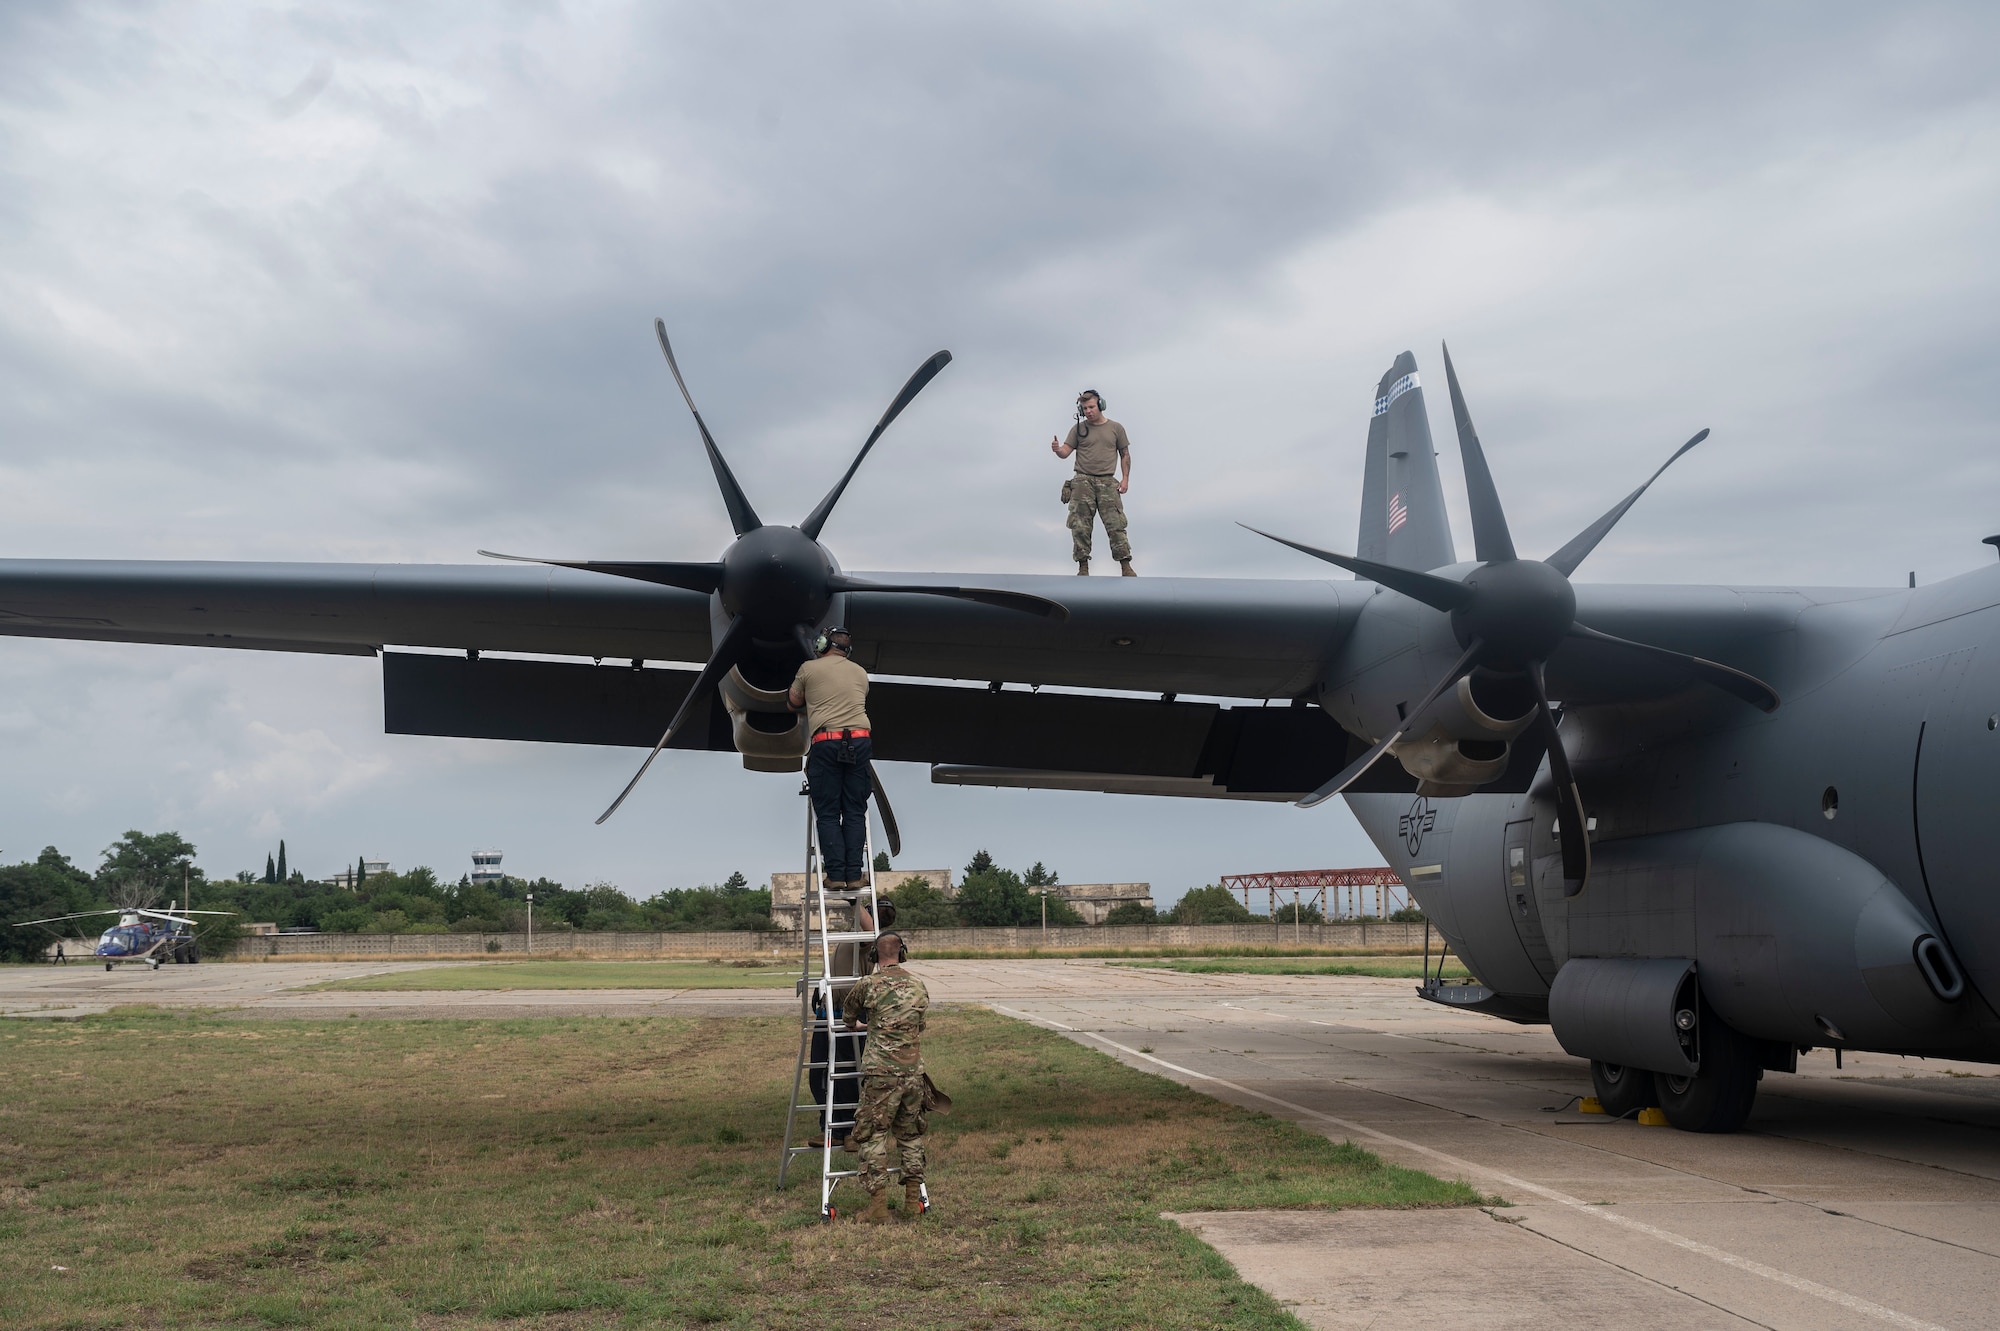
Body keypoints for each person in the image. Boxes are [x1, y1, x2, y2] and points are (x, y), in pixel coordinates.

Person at [840, 929, 930, 1223]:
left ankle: (878, 1208)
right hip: (914, 1075)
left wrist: (863, 1024)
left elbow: (848, 1018)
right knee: (911, 1136)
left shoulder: (868, 984)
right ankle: (911, 1203)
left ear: (874, 956)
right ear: (902, 953)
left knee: (872, 1136)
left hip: (881, 1075)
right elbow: (921, 1024)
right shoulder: (918, 985)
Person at [788, 625, 873, 888]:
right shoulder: (860, 672)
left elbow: (793, 701)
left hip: (826, 742)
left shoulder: (808, 669)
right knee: (855, 811)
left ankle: (835, 875)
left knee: (827, 813)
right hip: (859, 741)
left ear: (824, 644)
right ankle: (855, 874)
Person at [1049, 388, 1135, 576]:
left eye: (1091, 407)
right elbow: (1065, 452)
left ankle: (1125, 566)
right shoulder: (1079, 429)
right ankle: (1083, 567)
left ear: (1100, 405)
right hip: (1083, 481)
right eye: (1084, 408)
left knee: (1116, 524)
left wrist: (1125, 478)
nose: (1088, 411)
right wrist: (1057, 449)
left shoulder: (1116, 428)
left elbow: (1125, 454)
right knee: (1080, 525)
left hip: (1107, 482)